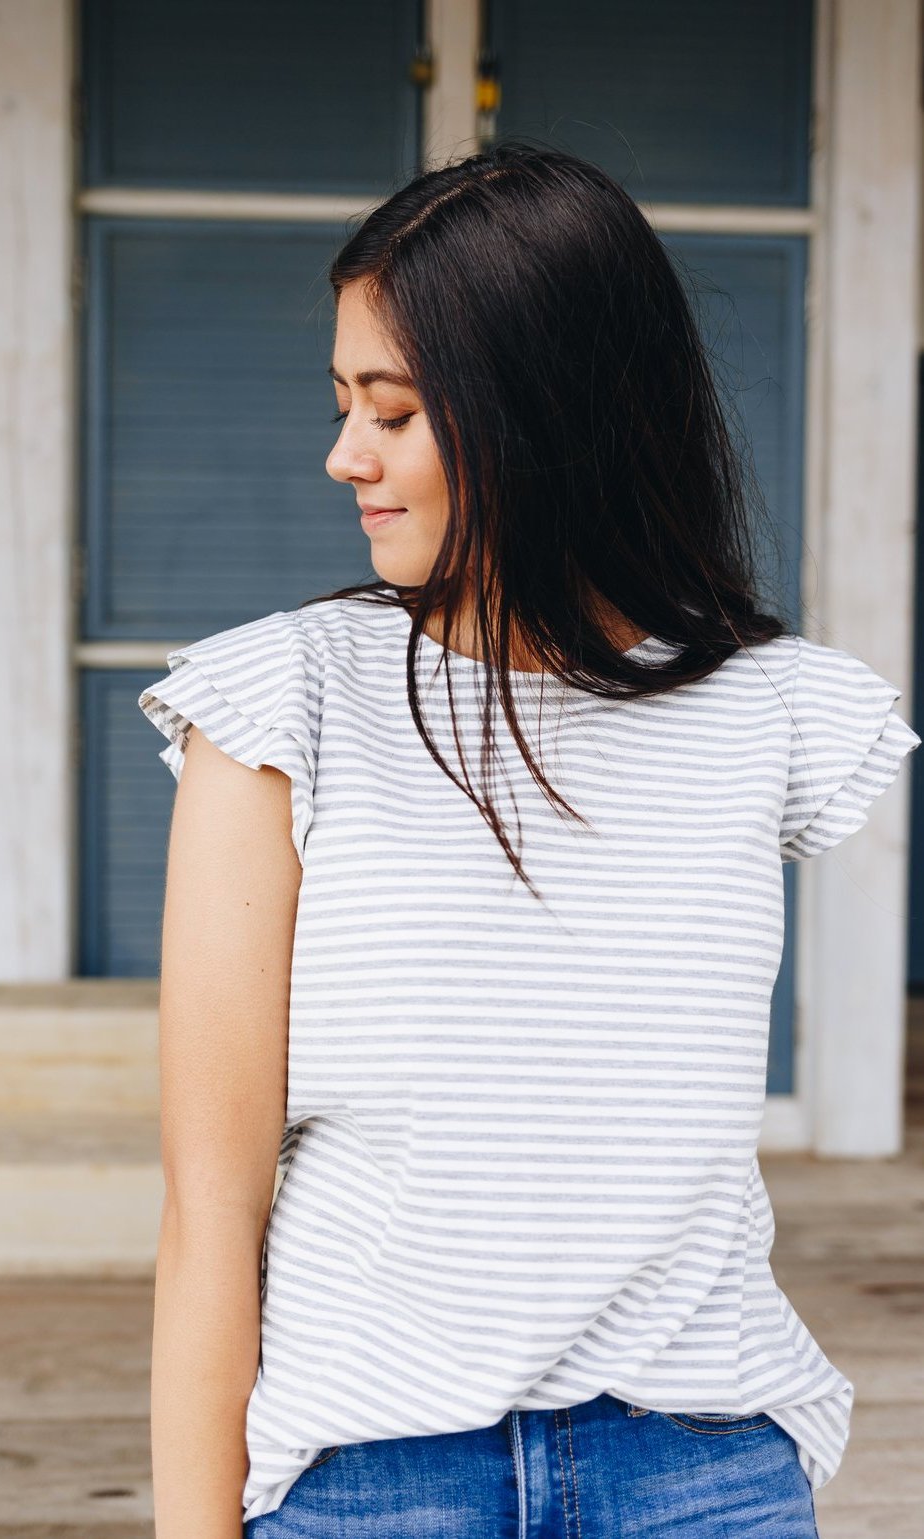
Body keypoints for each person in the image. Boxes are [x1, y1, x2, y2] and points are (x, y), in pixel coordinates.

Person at [137, 142, 920, 1537]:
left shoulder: (778, 715)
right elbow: (209, 1212)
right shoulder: (279, 704)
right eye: (340, 405)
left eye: (392, 412)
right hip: (371, 1484)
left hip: (699, 1471)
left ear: (540, 415)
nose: (342, 456)